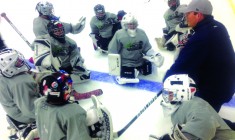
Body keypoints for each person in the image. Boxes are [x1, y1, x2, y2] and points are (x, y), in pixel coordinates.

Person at [163, 0, 235, 113]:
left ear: (198, 15)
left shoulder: (202, 37)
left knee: (199, 119)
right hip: (225, 86)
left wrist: (166, 80)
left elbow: (183, 64)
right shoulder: (218, 26)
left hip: (213, 92)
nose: (185, 17)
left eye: (188, 14)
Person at [150, 74, 235, 139]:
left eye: (170, 93)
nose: (166, 96)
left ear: (181, 93)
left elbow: (206, 122)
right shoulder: (182, 106)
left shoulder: (191, 104)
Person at [35, 71, 113, 140]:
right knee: (92, 116)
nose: (70, 89)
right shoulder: (74, 112)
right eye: (68, 87)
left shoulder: (39, 103)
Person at [108, 13, 164, 84]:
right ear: (124, 24)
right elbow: (112, 51)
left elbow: (146, 48)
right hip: (126, 63)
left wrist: (156, 55)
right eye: (130, 24)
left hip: (139, 61)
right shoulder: (119, 34)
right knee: (126, 80)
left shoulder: (142, 33)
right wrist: (115, 68)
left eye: (134, 24)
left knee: (150, 71)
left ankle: (137, 69)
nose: (132, 26)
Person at [0, 48, 39, 140]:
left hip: (13, 110)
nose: (22, 62)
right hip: (25, 115)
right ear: (9, 67)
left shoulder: (5, 76)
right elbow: (30, 110)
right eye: (18, 62)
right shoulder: (20, 83)